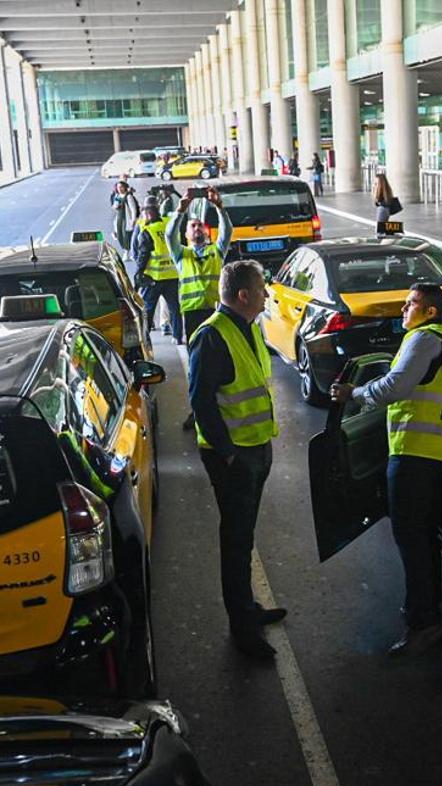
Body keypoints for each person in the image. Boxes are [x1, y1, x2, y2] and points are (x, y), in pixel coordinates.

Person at [328, 282, 442, 657]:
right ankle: (428, 615)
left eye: (412, 303)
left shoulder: (424, 338)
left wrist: (353, 394)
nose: (404, 308)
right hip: (441, 455)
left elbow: (395, 387)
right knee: (423, 541)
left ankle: (422, 623)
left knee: (412, 541)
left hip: (415, 455)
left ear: (431, 311)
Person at [187, 259, 286, 660]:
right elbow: (200, 402)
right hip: (235, 457)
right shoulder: (212, 336)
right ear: (244, 295)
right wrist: (228, 455)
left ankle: (247, 609)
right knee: (236, 540)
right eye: (262, 288)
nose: (266, 294)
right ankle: (243, 629)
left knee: (243, 537)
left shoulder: (248, 327)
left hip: (256, 448)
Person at [166, 187, 234, 430]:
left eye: (200, 226)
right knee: (197, 369)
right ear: (186, 233)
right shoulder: (180, 254)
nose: (197, 229)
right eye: (192, 226)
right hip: (193, 317)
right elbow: (168, 236)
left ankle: (219, 409)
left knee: (219, 366)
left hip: (216, 315)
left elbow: (227, 232)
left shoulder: (217, 251)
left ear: (206, 231)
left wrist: (219, 207)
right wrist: (180, 211)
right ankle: (198, 411)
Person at [130, 196, 182, 342]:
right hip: (172, 274)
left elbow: (142, 256)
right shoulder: (168, 224)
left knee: (147, 310)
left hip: (154, 278)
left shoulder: (147, 231)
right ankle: (178, 336)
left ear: (147, 213)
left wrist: (138, 275)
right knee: (174, 308)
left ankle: (145, 339)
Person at [111, 180, 141, 250]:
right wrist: (115, 206)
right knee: (120, 234)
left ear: (125, 187)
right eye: (118, 187)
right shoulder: (117, 196)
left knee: (127, 236)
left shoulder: (128, 196)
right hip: (119, 218)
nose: (120, 189)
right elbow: (114, 206)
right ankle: (125, 249)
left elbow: (133, 209)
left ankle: (128, 251)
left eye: (121, 187)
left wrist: (133, 220)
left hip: (127, 218)